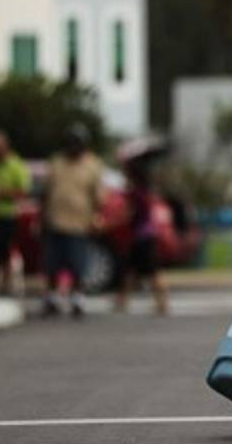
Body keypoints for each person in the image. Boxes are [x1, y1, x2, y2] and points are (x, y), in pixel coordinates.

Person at [42, 123, 103, 317]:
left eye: (78, 143)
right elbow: (46, 192)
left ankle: (77, 298)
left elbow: (98, 196)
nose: (74, 146)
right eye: (71, 142)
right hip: (55, 220)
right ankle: (52, 298)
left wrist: (96, 217)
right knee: (52, 263)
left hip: (79, 223)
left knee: (77, 264)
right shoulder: (57, 162)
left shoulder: (92, 165)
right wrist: (41, 217)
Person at [115, 156, 169, 316]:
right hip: (145, 236)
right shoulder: (144, 191)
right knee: (131, 270)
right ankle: (122, 300)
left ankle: (162, 303)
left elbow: (131, 214)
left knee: (150, 272)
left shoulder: (136, 193)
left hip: (143, 237)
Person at [0, 130, 30, 295]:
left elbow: (24, 191)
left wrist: (1, 193)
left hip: (9, 214)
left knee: (7, 252)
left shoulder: (15, 165)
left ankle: (7, 284)